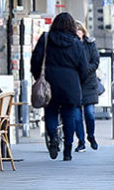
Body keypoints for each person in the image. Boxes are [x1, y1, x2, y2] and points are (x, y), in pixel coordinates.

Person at [30, 12, 89, 162]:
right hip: (71, 83)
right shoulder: (76, 42)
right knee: (69, 115)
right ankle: (68, 151)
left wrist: (39, 78)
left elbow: (36, 60)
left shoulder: (46, 38)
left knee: (50, 112)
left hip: (50, 81)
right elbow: (84, 67)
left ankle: (53, 138)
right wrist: (78, 81)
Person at [74, 21, 99, 152]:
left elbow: (95, 61)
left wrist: (85, 70)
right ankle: (81, 141)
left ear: (83, 31)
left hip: (89, 83)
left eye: (79, 30)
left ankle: (91, 136)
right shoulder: (70, 45)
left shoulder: (90, 44)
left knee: (90, 113)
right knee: (77, 116)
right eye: (75, 30)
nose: (78, 32)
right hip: (75, 83)